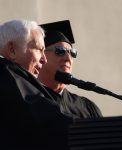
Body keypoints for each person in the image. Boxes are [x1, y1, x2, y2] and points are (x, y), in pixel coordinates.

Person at [0, 19, 72, 150]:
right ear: (12, 50)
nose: (44, 60)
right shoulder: (6, 74)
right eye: (40, 50)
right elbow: (46, 116)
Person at [38, 20, 102, 118]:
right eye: (60, 51)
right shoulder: (26, 100)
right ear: (41, 56)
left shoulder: (87, 107)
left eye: (72, 53)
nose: (68, 58)